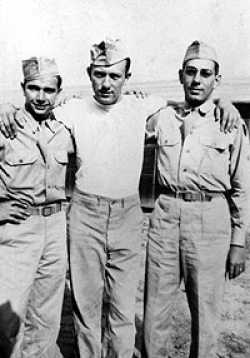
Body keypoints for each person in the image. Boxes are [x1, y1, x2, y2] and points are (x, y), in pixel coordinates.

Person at [0, 39, 241, 358]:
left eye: (115, 76)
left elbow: (191, 111)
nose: (106, 83)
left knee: (123, 308)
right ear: (89, 73)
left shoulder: (147, 107)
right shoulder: (68, 109)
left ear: (128, 76)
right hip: (85, 213)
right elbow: (32, 113)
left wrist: (225, 102)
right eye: (99, 74)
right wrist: (6, 107)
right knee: (85, 307)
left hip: (127, 215)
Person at [143, 40, 250, 358]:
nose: (197, 80)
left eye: (205, 73)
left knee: (206, 313)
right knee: (155, 311)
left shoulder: (229, 123)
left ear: (216, 79)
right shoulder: (162, 118)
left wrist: (238, 243)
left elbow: (242, 188)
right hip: (165, 215)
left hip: (210, 219)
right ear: (180, 75)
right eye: (191, 72)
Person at [0, 57, 74, 357]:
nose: (41, 97)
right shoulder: (7, 126)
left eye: (48, 90)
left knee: (46, 318)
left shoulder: (66, 127)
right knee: (8, 319)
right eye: (33, 88)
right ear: (23, 88)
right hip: (18, 231)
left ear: (58, 92)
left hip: (55, 228)